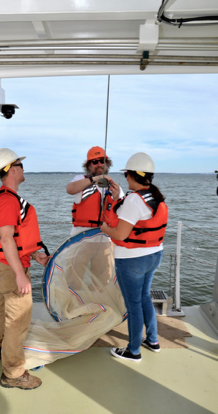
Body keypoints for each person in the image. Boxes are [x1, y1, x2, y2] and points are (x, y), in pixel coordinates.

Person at [0, 148, 50, 390]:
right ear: (13, 169)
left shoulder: (6, 199)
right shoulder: (7, 201)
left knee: (3, 308)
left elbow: (17, 237)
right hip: (11, 269)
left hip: (5, 267)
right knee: (18, 319)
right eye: (20, 165)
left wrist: (36, 254)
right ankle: (12, 373)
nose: (23, 168)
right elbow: (6, 238)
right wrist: (21, 274)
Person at [100, 152, 168, 362]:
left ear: (130, 176)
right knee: (144, 297)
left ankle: (134, 350)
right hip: (154, 255)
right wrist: (118, 200)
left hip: (132, 260)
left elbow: (120, 234)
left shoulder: (133, 200)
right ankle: (153, 340)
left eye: (127, 175)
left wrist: (104, 228)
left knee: (133, 305)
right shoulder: (155, 197)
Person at [65, 146, 124, 290]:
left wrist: (116, 198)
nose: (98, 164)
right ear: (88, 165)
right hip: (80, 238)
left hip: (104, 240)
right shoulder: (81, 180)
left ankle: (96, 308)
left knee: (103, 281)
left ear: (107, 163)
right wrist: (96, 179)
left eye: (102, 161)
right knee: (73, 278)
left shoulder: (115, 187)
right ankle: (73, 309)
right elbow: (70, 189)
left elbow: (122, 212)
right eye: (94, 162)